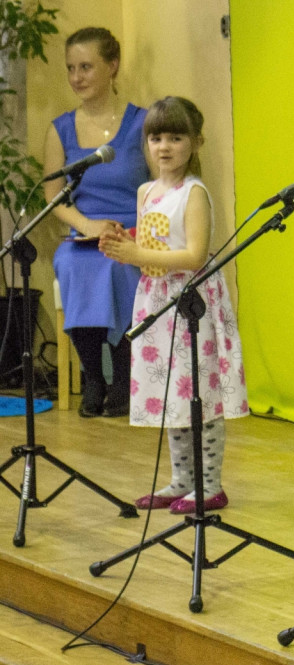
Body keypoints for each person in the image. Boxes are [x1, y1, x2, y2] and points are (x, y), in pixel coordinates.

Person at [99, 96, 248, 514]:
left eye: (176, 137)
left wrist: (136, 256)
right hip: (157, 301)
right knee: (172, 394)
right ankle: (182, 479)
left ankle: (210, 483)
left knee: (198, 393)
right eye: (156, 137)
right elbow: (152, 245)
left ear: (196, 142)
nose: (164, 147)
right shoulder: (146, 190)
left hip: (191, 303)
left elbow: (194, 255)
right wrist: (125, 245)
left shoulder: (194, 193)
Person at [43, 27, 149, 418]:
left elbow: (161, 186)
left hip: (133, 233)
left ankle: (123, 377)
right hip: (85, 233)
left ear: (112, 67)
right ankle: (93, 377)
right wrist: (86, 225)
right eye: (71, 68)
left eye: (86, 67)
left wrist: (139, 233)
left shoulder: (142, 123)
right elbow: (53, 197)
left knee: (122, 267)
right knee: (72, 265)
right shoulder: (60, 129)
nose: (77, 77)